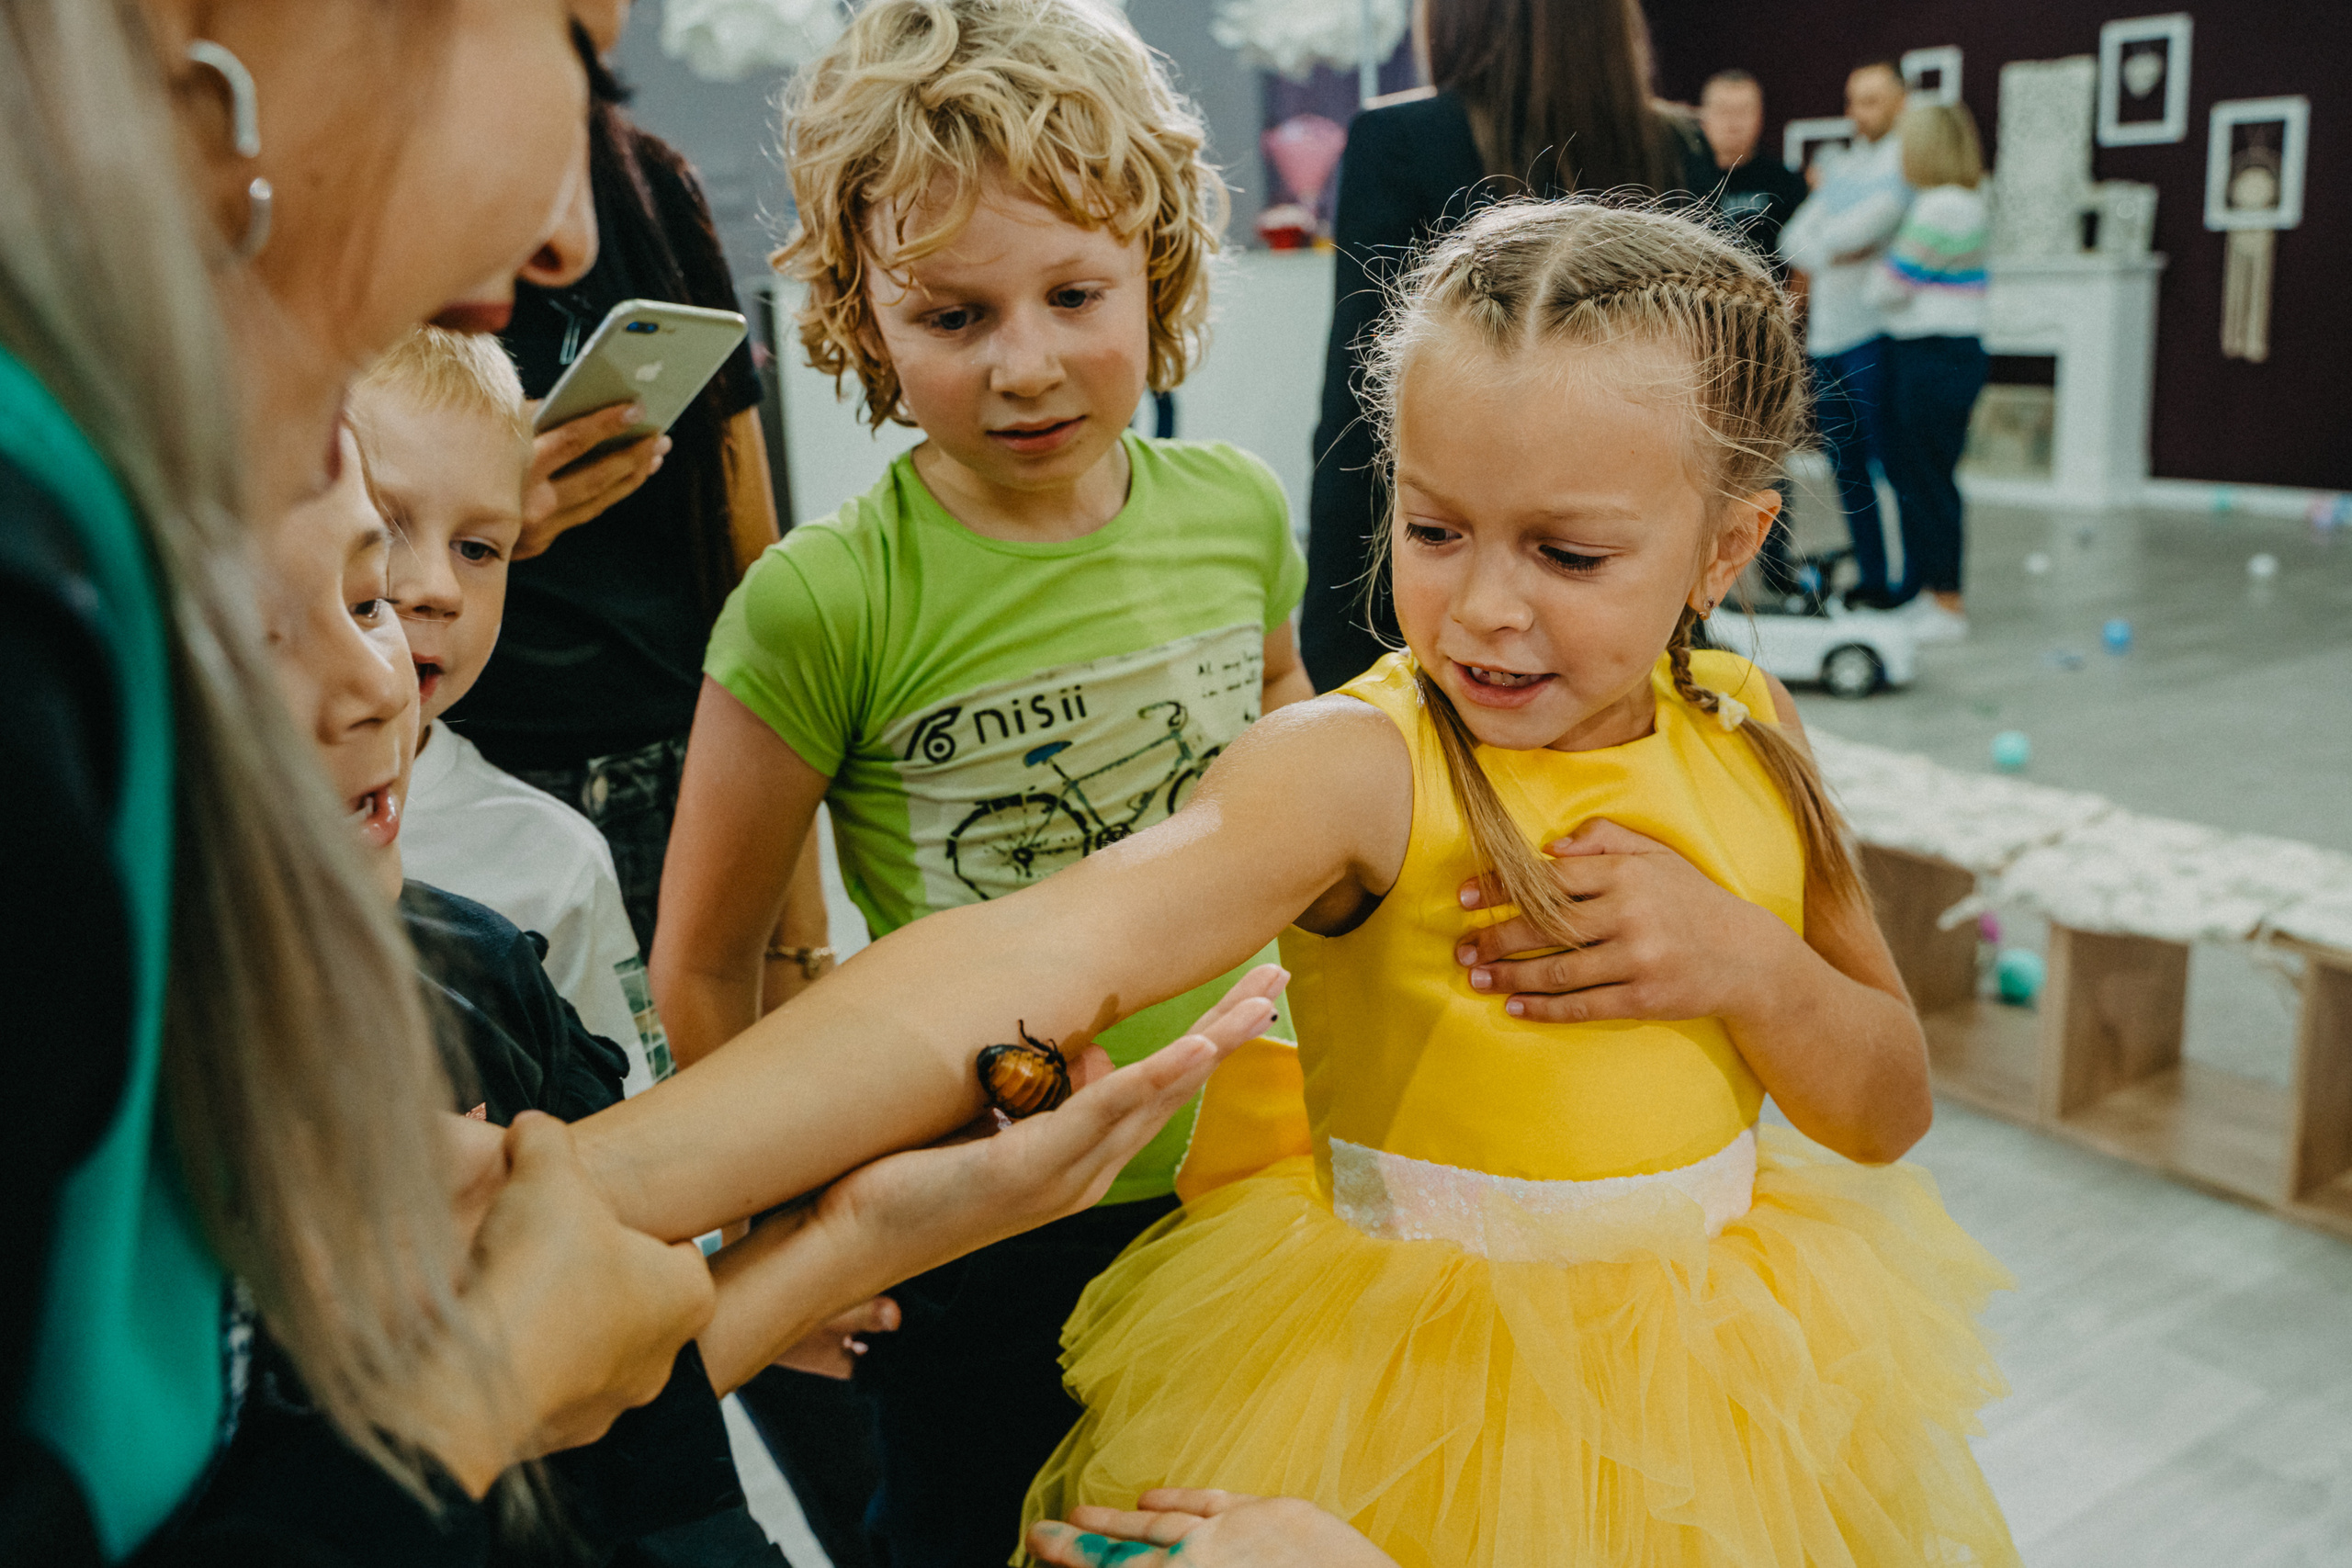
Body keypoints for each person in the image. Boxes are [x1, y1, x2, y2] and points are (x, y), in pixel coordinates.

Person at [583, 201, 2018, 1567]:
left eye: (1569, 553)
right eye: (1436, 528)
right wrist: (605, 1183)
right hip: (1390, 1404)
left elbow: (1884, 1105)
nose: (1486, 606)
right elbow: (1032, 946)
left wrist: (1747, 963)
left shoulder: (1752, 716)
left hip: (1725, 1401)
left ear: (1727, 544)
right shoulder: (1356, 763)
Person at [655, 0, 1310, 1556]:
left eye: (1074, 293)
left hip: (1258, 1165)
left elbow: (1286, 712)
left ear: (1154, 268)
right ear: (862, 318)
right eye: (955, 317)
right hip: (990, 1204)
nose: (1025, 366)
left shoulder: (1236, 509)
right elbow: (706, 957)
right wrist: (784, 1232)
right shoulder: (824, 599)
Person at [465, 35, 782, 963]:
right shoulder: (357, 220)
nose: (564, 249)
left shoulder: (648, 191)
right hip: (465, 781)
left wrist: (798, 931)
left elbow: (748, 555)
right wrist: (462, 511)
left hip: (678, 773)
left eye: (595, 69)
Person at [1299, 0, 1713, 694]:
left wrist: (1335, 636)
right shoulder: (1677, 145)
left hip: (1449, 602)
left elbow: (1363, 403)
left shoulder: (1398, 138)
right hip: (1631, 590)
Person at [355, 327, 672, 1091]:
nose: (439, 587)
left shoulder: (554, 859)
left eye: (479, 548)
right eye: (387, 525)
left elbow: (631, 1127)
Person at [1779, 58, 1909, 608]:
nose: (1859, 111)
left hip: (1874, 338)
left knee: (1890, 464)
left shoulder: (1906, 164)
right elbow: (1793, 241)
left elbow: (1865, 227)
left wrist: (1835, 241)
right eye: (1854, 99)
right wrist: (1841, 246)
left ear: (1900, 100)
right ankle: (1874, 579)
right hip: (1825, 341)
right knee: (1846, 469)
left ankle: (1911, 581)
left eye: (1873, 99)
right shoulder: (1845, 166)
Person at [1869, 102, 1990, 642]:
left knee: (1929, 479)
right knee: (1918, 476)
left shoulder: (1943, 208)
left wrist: (1879, 272)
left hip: (1935, 357)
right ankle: (1928, 592)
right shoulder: (1959, 203)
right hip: (1933, 355)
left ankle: (1947, 602)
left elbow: (1889, 286)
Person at [1692, 67, 1810, 597]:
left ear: (1760, 117)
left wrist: (1785, 323)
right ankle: (1693, 571)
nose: (1733, 122)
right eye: (1723, 110)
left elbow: (1802, 262)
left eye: (1745, 111)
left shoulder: (1782, 181)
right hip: (1690, 340)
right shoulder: (1682, 173)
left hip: (1761, 343)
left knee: (1765, 456)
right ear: (1703, 115)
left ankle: (1775, 571)